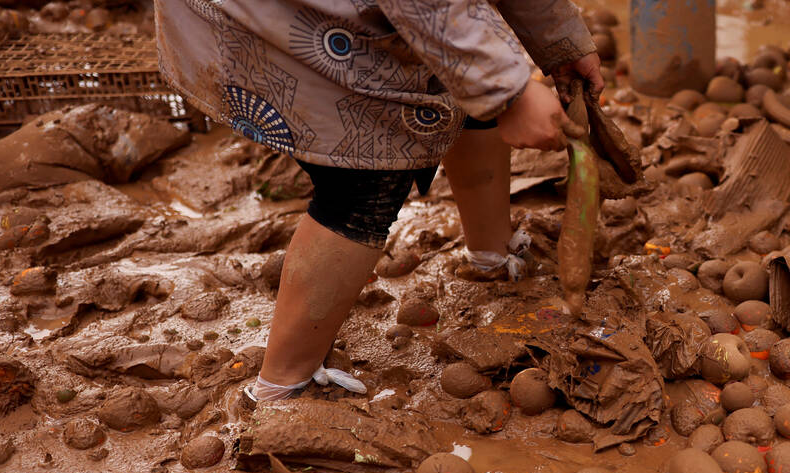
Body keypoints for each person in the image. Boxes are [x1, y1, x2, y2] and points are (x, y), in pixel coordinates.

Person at [153, 0, 602, 401]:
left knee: (469, 83)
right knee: (365, 176)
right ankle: (282, 386)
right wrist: (511, 94)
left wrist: (560, 43)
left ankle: (491, 255)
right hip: (275, 21)